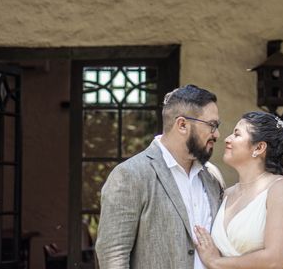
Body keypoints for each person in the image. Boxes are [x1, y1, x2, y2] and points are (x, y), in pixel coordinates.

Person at [95, 84, 225, 269]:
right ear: (182, 125)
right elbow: (113, 255)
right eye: (212, 125)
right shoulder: (130, 175)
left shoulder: (213, 177)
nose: (217, 134)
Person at [194, 111, 283, 269]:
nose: (227, 139)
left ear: (259, 147)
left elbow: (275, 260)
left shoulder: (281, 189)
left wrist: (215, 262)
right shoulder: (226, 194)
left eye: (237, 134)